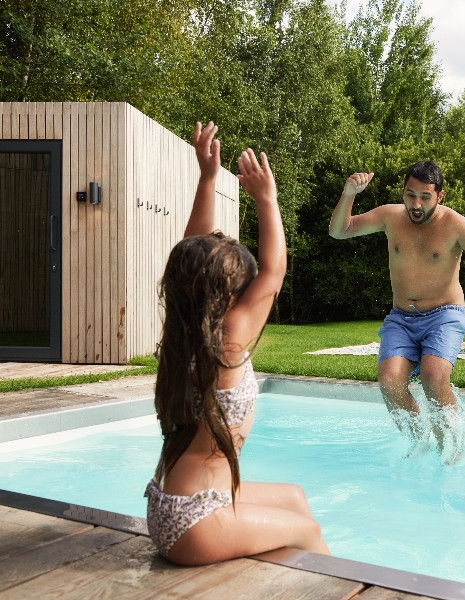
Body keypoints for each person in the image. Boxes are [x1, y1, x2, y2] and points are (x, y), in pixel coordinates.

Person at [145, 121, 329, 565]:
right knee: (307, 532)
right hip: (193, 519)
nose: (248, 296)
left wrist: (208, 178)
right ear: (225, 298)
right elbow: (274, 272)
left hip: (173, 503)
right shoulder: (226, 344)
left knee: (295, 499)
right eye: (240, 290)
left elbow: (192, 252)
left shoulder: (184, 332)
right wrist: (268, 200)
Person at [329, 161, 465, 463]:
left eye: (425, 197)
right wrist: (349, 193)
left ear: (440, 196)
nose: (416, 204)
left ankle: (453, 447)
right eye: (410, 195)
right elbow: (340, 231)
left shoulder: (456, 225)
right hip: (401, 318)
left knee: (433, 376)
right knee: (389, 381)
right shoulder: (391, 216)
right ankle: (422, 442)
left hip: (445, 314)